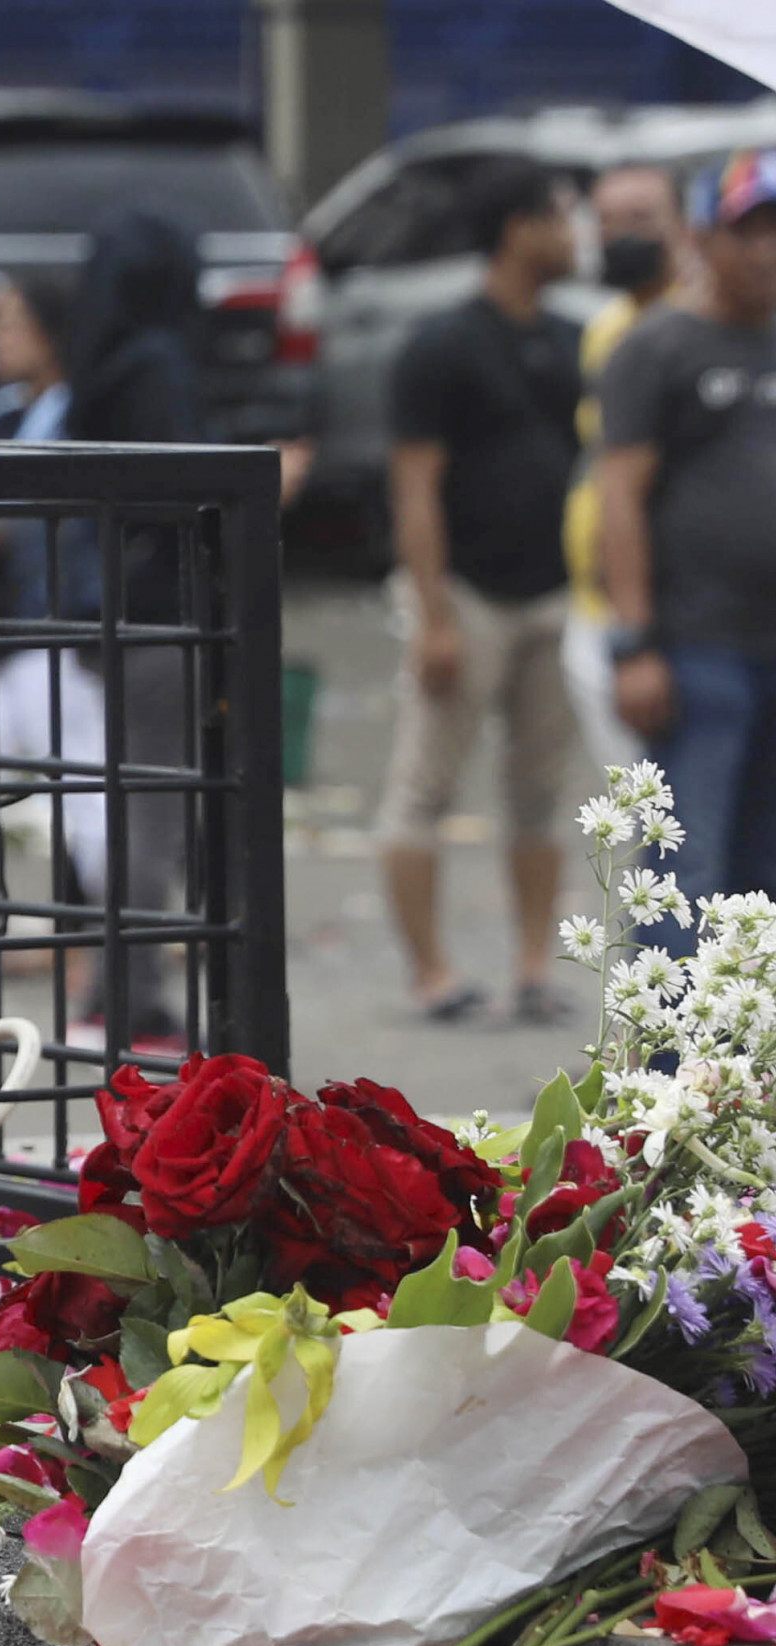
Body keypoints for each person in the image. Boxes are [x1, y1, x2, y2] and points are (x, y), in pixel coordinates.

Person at [378, 156, 580, 1025]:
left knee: (540, 794)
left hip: (557, 596)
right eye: (560, 217)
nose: (574, 235)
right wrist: (433, 615)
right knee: (424, 789)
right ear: (517, 230)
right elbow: (415, 488)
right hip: (467, 595)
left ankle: (534, 969)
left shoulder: (574, 339)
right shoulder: (443, 345)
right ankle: (432, 973)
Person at [597, 149, 776, 916]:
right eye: (749, 231)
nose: (765, 251)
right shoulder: (659, 347)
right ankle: (671, 1004)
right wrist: (634, 643)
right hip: (697, 649)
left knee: (762, 878)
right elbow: (618, 498)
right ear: (702, 239)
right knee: (687, 870)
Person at [64, 211, 207, 1047]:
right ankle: (132, 994)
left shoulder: (101, 363)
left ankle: (113, 986)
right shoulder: (158, 362)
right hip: (159, 613)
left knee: (130, 800)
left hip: (108, 611)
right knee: (153, 811)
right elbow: (181, 485)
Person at [0, 274, 110, 912]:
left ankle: (98, 937)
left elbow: (22, 519)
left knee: (88, 798)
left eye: (10, 322)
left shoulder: (80, 412)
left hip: (54, 628)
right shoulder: (0, 412)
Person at [563, 164, 694, 770]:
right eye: (607, 221)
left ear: (686, 227)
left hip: (675, 624)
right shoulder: (608, 328)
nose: (619, 236)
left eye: (640, 219)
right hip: (596, 608)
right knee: (632, 804)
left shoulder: (705, 331)